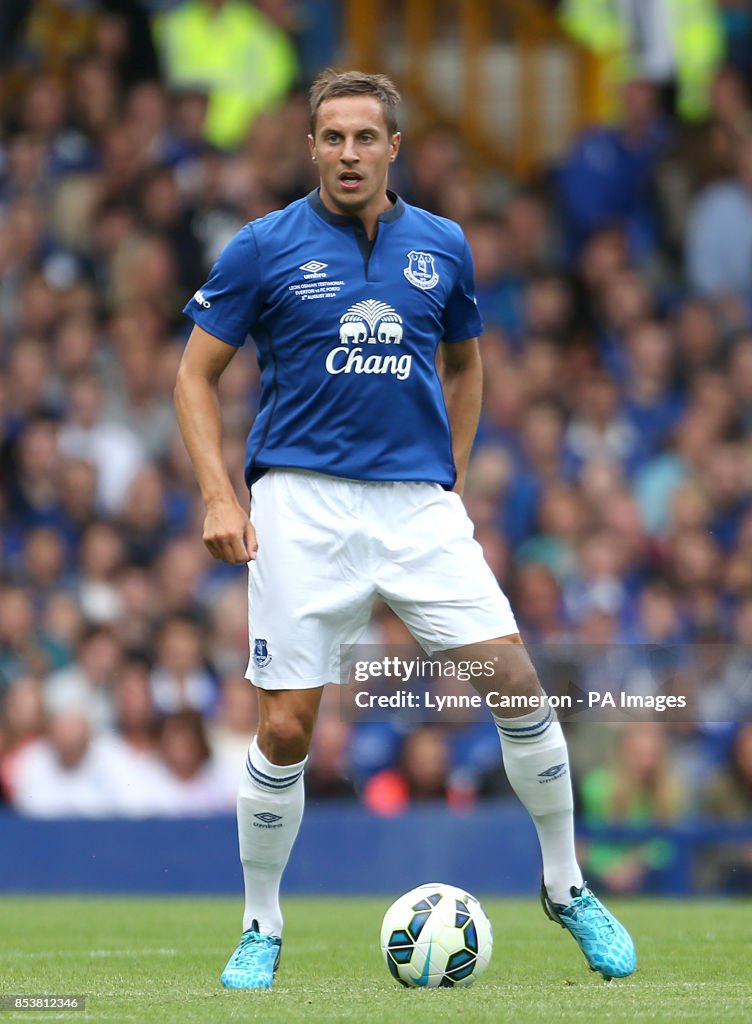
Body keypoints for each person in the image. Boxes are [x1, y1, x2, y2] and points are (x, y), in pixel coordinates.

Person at [174, 68, 636, 990]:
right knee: (288, 729)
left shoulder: (444, 245)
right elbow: (194, 376)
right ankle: (261, 926)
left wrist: (451, 476)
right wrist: (221, 497)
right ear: (311, 147)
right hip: (302, 504)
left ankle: (566, 886)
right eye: (333, 138)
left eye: (365, 138)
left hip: (416, 506)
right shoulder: (263, 247)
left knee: (519, 688)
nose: (349, 153)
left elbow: (466, 366)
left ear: (394, 147)